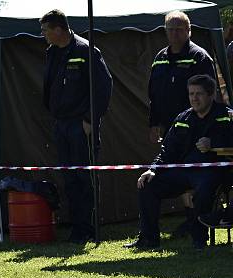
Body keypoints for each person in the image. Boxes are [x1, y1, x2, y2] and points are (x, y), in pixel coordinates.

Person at [125, 75, 233, 250]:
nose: (194, 98)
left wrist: (214, 143)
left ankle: (199, 239)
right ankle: (148, 239)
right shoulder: (183, 118)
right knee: (147, 185)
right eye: (191, 94)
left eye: (199, 94)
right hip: (184, 171)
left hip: (213, 171)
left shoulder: (226, 114)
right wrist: (152, 170)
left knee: (204, 189)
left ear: (211, 95)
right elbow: (167, 150)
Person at [41, 9, 113, 244]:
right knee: (69, 178)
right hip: (61, 124)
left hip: (80, 124)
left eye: (46, 30)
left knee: (85, 177)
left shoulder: (86, 51)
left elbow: (103, 86)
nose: (43, 34)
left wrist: (90, 120)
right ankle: (76, 227)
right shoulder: (52, 52)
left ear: (59, 29)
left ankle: (89, 226)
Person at [148, 10, 217, 238]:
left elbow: (210, 95)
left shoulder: (199, 57)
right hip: (171, 127)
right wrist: (154, 122)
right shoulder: (160, 58)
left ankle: (193, 221)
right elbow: (154, 93)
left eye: (179, 29)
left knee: (193, 171)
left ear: (189, 31)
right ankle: (186, 221)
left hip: (196, 128)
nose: (174, 34)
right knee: (174, 168)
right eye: (170, 29)